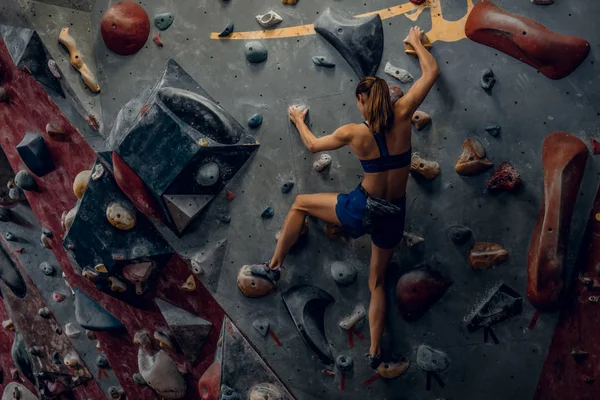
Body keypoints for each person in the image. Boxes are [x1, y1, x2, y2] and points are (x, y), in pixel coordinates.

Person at [241, 26, 440, 377]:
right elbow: (432, 72)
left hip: (360, 207)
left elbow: (314, 146)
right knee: (376, 283)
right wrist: (415, 41)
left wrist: (299, 120)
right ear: (388, 99)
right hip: (394, 213)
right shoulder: (406, 112)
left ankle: (273, 267)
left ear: (362, 101)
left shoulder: (354, 132)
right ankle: (376, 353)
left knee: (301, 203)